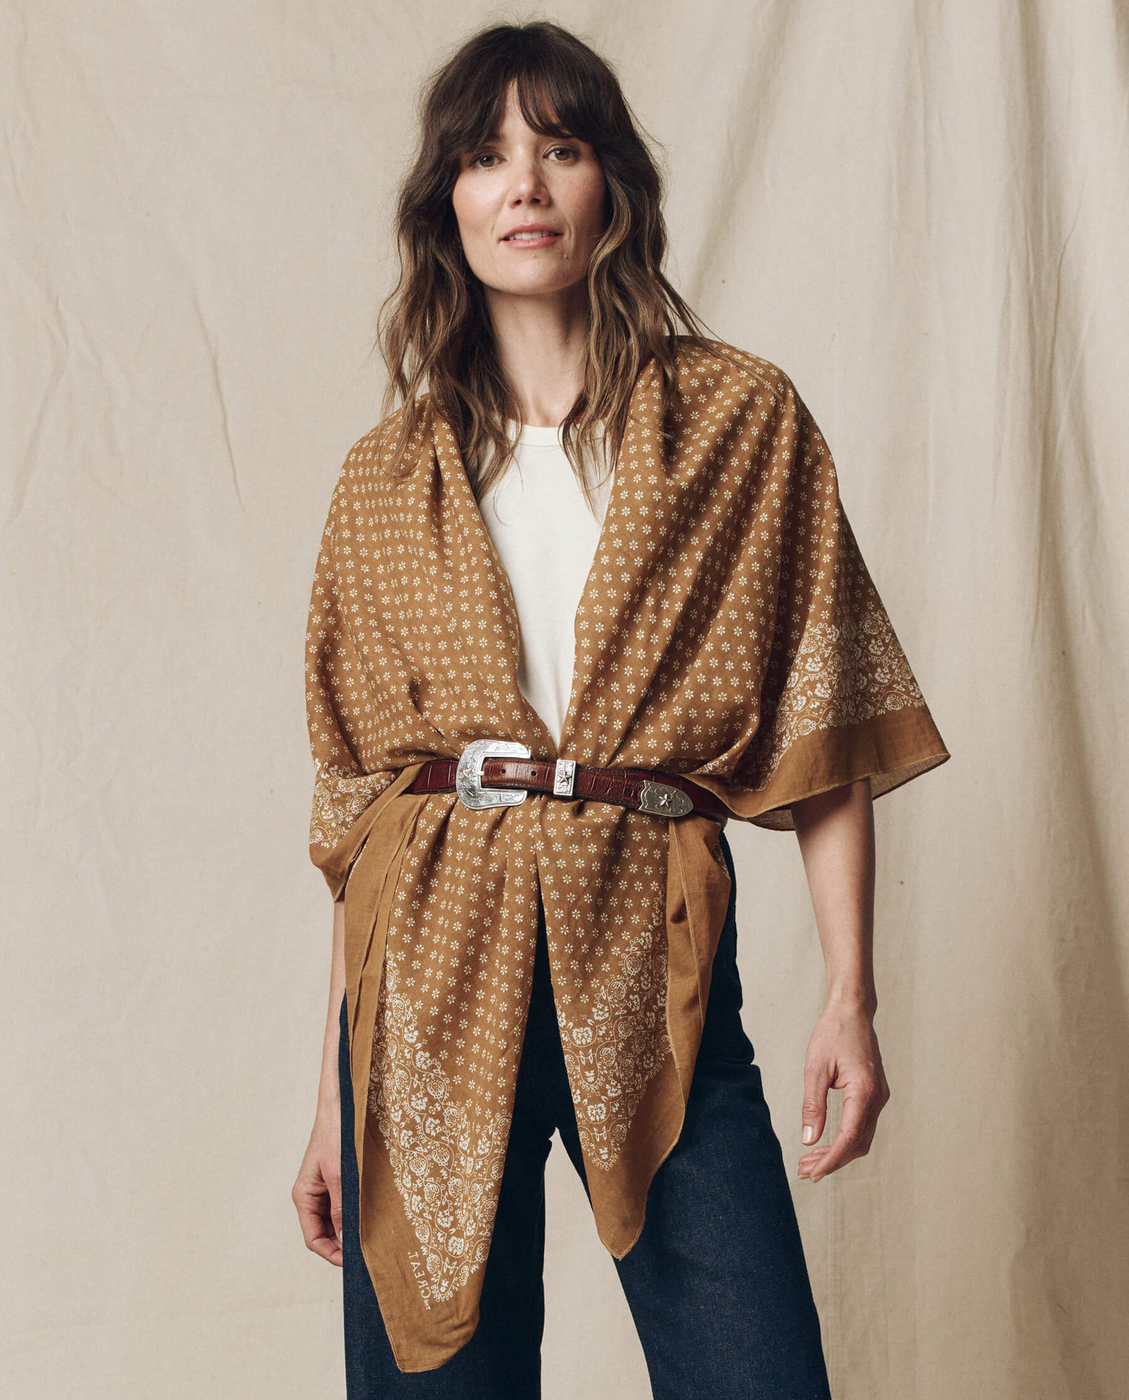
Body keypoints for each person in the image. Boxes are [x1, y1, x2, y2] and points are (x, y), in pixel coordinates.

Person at [291, 20, 949, 1399]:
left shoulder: (739, 423)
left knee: (755, 1372)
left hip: (654, 960)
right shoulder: (385, 478)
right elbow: (361, 822)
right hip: (427, 985)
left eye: (560, 148)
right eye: (485, 157)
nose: (524, 185)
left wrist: (850, 998)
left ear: (613, 189)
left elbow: (823, 728)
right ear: (447, 205)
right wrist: (327, 1104)